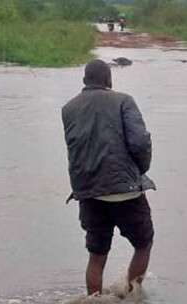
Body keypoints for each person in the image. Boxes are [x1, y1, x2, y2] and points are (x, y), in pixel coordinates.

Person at [62, 59, 155, 296]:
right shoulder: (124, 100)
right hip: (126, 191)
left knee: (96, 255)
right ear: (109, 81)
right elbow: (140, 142)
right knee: (144, 243)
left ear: (85, 81)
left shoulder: (68, 108)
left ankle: (94, 301)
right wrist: (141, 171)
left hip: (89, 194)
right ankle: (131, 296)